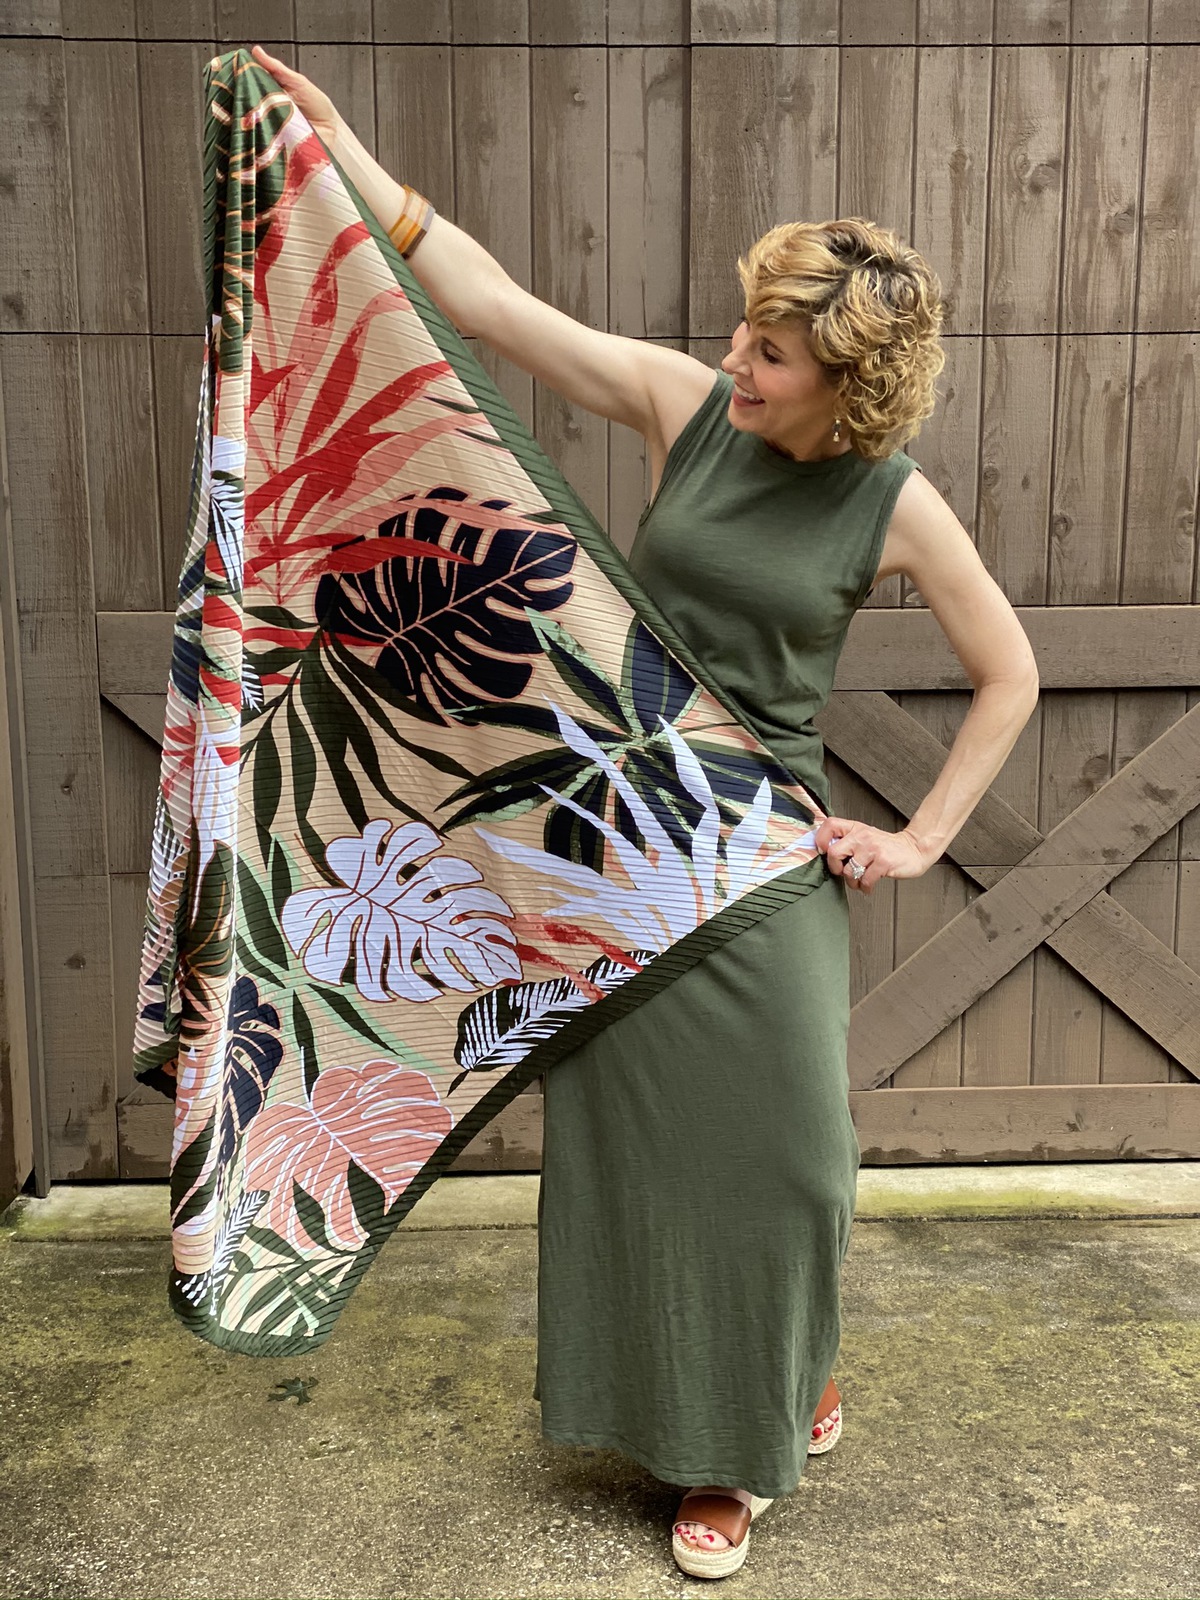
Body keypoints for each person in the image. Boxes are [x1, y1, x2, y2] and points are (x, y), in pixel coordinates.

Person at [250, 45, 1041, 1581]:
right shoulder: (688, 410)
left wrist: (923, 836)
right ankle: (714, 1447)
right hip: (618, 852)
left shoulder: (894, 503)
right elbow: (490, 308)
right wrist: (354, 164)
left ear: (849, 384)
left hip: (760, 866)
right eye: (743, 334)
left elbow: (1008, 670)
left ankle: (774, 1394)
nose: (735, 362)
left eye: (771, 355)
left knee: (797, 1156)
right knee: (643, 1156)